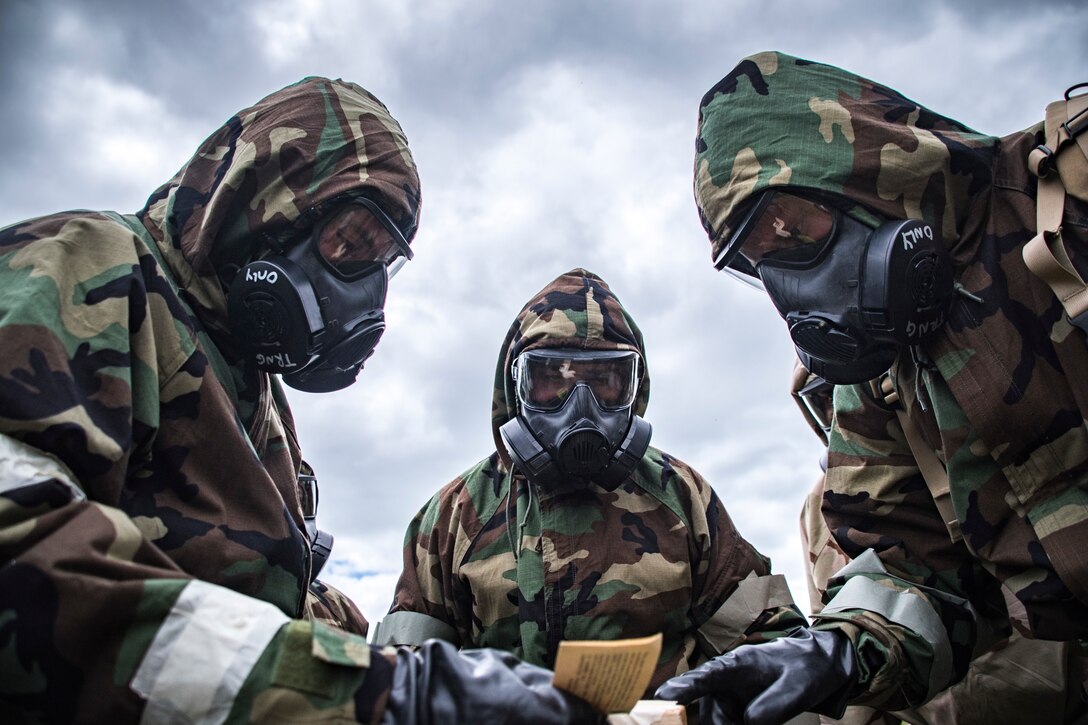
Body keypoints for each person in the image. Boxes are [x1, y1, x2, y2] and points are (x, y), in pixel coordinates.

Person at [0, 77, 595, 723]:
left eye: (383, 263)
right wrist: (375, 696)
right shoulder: (90, 268)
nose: (368, 294)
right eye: (350, 244)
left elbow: (256, 606)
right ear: (262, 206)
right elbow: (21, 552)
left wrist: (395, 664)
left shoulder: (254, 393)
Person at [654, 50, 1088, 724]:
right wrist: (834, 654)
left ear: (865, 175)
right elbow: (913, 569)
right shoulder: (876, 381)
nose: (792, 284)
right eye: (762, 262)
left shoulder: (1067, 200)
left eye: (793, 227)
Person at [377, 268, 806, 696]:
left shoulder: (682, 497)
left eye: (604, 382)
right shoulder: (455, 515)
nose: (581, 406)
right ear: (515, 387)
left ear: (632, 391)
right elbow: (401, 680)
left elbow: (769, 645)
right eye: (551, 379)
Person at [790, 359, 1073, 725]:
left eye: (843, 392)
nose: (839, 412)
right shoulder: (818, 506)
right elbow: (837, 623)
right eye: (825, 400)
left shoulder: (986, 436)